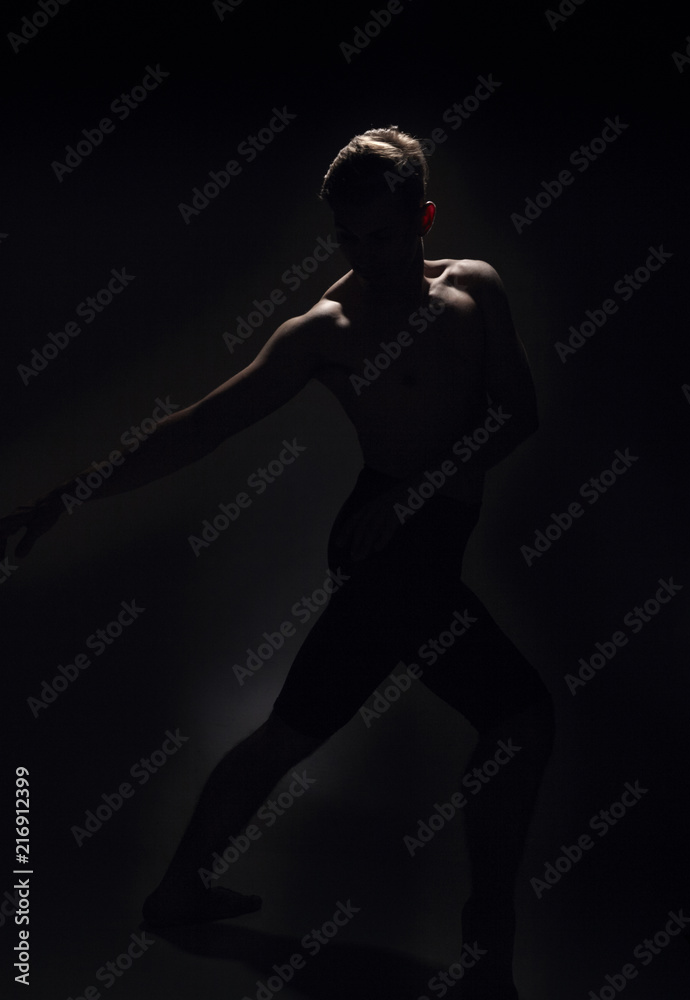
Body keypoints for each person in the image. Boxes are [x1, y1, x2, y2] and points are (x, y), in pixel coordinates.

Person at [2, 128, 554, 999]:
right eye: (349, 239)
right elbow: (200, 426)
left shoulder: (475, 290)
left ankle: (178, 889)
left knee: (291, 732)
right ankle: (488, 935)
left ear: (426, 218)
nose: (367, 258)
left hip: (409, 532)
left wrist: (418, 492)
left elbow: (518, 417)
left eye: (387, 236)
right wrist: (68, 496)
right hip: (387, 556)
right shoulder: (325, 332)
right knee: (520, 717)